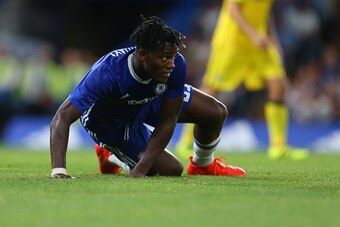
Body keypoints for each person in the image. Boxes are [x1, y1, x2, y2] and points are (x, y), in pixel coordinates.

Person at [50, 15, 246, 178]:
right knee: (171, 170)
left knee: (216, 112)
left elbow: (168, 118)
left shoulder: (175, 65)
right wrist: (59, 171)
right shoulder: (108, 73)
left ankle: (203, 165)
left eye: (173, 56)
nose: (171, 64)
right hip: (111, 122)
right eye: (164, 58)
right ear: (143, 54)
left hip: (148, 101)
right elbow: (63, 117)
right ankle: (109, 152)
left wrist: (140, 168)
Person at [177, 0, 309, 160]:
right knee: (211, 88)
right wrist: (254, 35)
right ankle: (185, 142)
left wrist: (273, 40)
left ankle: (279, 146)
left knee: (279, 85)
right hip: (232, 44)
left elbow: (265, 14)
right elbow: (233, 9)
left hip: (257, 44)